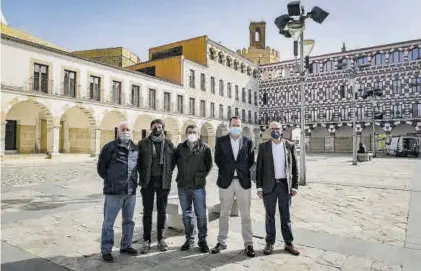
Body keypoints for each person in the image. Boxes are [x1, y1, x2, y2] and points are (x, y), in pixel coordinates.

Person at [211, 117, 256, 257]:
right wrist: (228, 171)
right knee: (224, 213)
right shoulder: (221, 141)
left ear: (241, 127)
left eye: (238, 125)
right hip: (226, 182)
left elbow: (250, 161)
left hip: (243, 182)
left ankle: (248, 243)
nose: (236, 127)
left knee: (246, 215)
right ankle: (221, 241)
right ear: (229, 126)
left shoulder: (248, 142)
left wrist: (240, 171)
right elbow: (217, 159)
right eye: (234, 125)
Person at [256, 121, 300, 256]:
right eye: (272, 129)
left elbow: (294, 167)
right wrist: (259, 187)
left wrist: (295, 186)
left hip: (284, 186)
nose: (275, 131)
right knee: (269, 216)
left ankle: (289, 243)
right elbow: (259, 168)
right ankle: (269, 242)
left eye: (277, 128)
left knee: (285, 216)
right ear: (269, 131)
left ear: (282, 130)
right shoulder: (263, 147)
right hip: (269, 186)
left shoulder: (289, 146)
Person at [97, 121, 138, 262]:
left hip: (130, 191)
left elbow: (136, 168)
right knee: (109, 222)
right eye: (123, 129)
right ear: (118, 131)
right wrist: (112, 181)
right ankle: (106, 250)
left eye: (128, 129)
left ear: (131, 131)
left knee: (129, 221)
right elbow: (101, 168)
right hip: (114, 192)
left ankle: (126, 245)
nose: (125, 132)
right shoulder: (110, 147)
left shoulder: (135, 148)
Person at [137, 119, 176, 254]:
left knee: (162, 211)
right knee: (147, 211)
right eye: (154, 126)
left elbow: (173, 163)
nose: (157, 128)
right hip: (147, 182)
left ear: (163, 128)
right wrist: (142, 174)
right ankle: (146, 240)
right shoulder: (143, 143)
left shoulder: (169, 144)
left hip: (163, 182)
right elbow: (138, 162)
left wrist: (167, 174)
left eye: (159, 126)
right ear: (151, 127)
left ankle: (161, 239)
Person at [174, 124, 213, 253]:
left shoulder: (205, 148)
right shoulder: (180, 147)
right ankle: (189, 239)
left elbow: (209, 165)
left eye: (194, 132)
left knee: (201, 214)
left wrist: (200, 177)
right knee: (186, 214)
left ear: (198, 134)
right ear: (186, 133)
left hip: (198, 187)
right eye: (189, 131)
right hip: (183, 186)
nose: (192, 133)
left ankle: (202, 240)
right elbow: (176, 163)